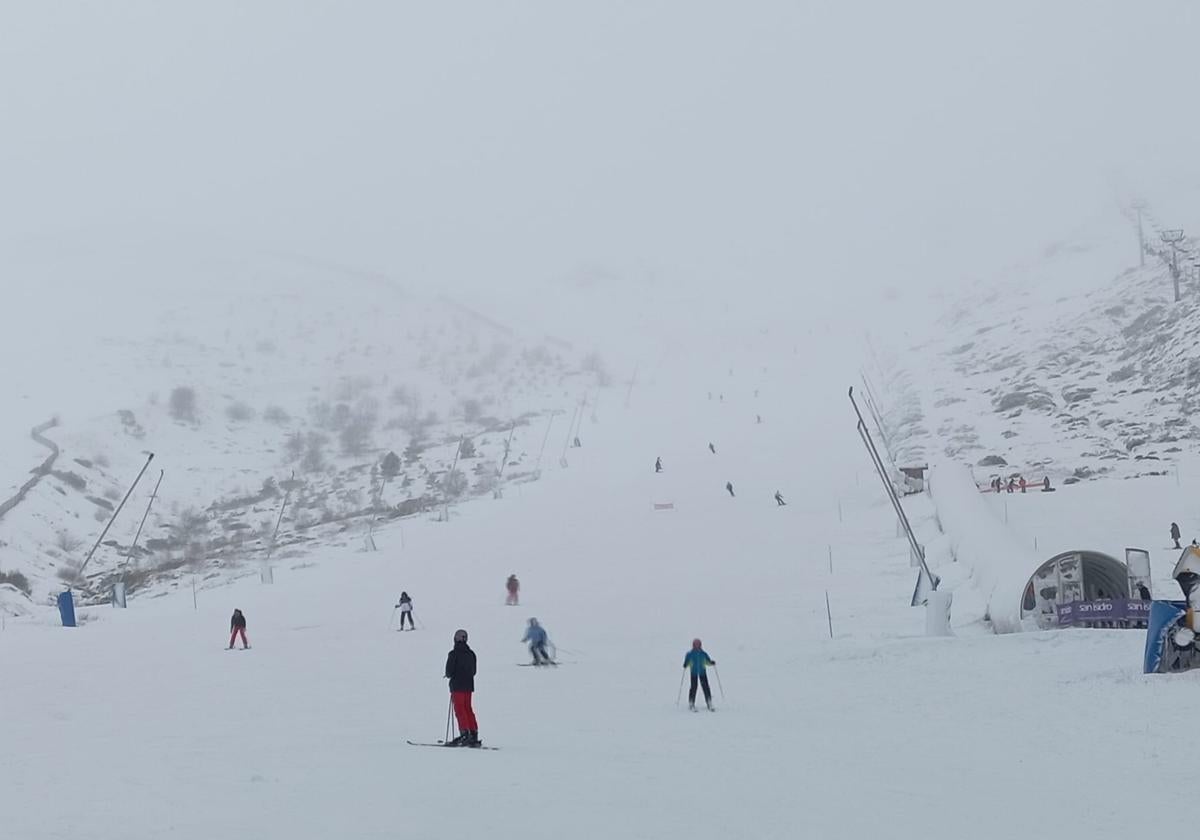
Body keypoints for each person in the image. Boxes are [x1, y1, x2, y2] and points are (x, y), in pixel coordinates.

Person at [445, 629, 480, 746]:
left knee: (460, 709)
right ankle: (473, 732)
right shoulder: (471, 654)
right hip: (469, 685)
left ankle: (464, 733)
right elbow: (474, 671)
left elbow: (449, 672)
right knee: (468, 708)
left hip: (457, 685)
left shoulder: (453, 654)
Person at [682, 638, 716, 711]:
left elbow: (707, 661)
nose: (697, 646)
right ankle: (691, 702)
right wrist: (685, 664)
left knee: (706, 687)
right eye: (695, 644)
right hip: (694, 673)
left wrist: (711, 663)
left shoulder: (703, 654)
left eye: (698, 644)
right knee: (693, 687)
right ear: (693, 645)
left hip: (702, 672)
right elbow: (687, 662)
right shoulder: (690, 654)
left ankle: (709, 702)